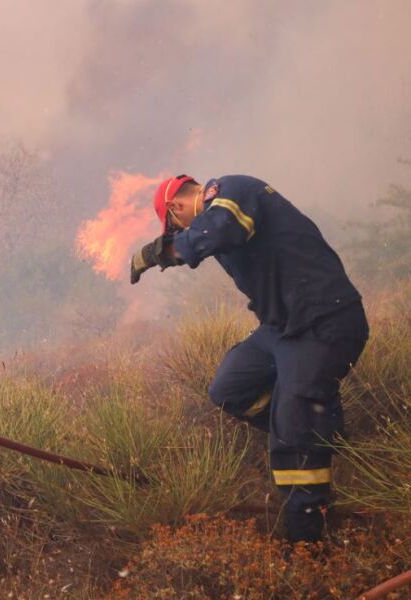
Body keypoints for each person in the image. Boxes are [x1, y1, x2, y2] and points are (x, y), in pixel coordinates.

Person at [131, 174, 369, 543]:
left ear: (177, 207)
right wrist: (169, 251)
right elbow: (205, 238)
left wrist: (157, 252)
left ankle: (309, 543)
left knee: (292, 435)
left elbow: (219, 230)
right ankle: (321, 431)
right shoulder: (214, 216)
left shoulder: (231, 192)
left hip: (325, 322)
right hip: (282, 328)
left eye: (175, 226)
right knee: (230, 388)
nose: (179, 231)